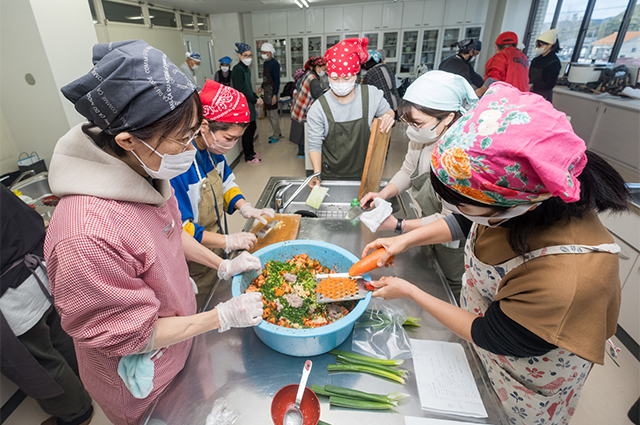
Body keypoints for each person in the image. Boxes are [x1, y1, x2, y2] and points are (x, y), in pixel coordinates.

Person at [363, 82, 629, 425]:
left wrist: (410, 290)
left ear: (516, 203)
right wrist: (402, 239)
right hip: (484, 341)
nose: (458, 210)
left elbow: (491, 333)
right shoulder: (520, 203)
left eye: (463, 203)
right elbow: (466, 220)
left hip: (526, 376)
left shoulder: (569, 277)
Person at [44, 40, 264, 425]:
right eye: (182, 139)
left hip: (180, 339)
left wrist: (221, 264)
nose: (190, 148)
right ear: (128, 140)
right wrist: (222, 317)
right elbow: (132, 335)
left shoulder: (143, 171)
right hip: (145, 380)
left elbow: (169, 230)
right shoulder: (84, 235)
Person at [361, 71, 477, 299]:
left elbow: (451, 221)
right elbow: (407, 171)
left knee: (448, 288)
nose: (411, 130)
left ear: (447, 118)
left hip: (452, 243)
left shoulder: (457, 158)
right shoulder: (422, 138)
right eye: (407, 122)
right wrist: (383, 194)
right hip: (424, 223)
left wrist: (399, 225)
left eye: (418, 123)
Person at [171, 79, 274, 309]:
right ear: (205, 126)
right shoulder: (179, 166)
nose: (232, 145)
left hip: (215, 245)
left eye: (238, 139)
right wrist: (227, 241)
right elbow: (182, 228)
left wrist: (245, 207)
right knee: (199, 305)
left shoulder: (212, 151)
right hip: (192, 259)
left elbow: (226, 184)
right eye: (230, 138)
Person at [1, 186, 94, 425]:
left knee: (42, 361)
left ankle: (77, 413)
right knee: (60, 339)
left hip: (12, 295)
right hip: (38, 275)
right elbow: (30, 218)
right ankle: (85, 386)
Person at [306, 38, 395, 186]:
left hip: (365, 173)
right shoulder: (319, 108)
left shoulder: (371, 95)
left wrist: (388, 117)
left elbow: (389, 112)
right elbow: (315, 145)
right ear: (328, 76)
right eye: (334, 78)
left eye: (346, 78)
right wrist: (316, 174)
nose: (340, 83)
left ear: (356, 76)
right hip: (331, 175)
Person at [232, 42, 263, 163]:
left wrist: (256, 96)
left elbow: (249, 88)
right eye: (245, 55)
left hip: (249, 103)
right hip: (243, 104)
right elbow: (242, 90)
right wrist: (254, 99)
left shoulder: (247, 69)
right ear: (239, 56)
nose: (248, 58)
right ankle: (248, 155)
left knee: (253, 127)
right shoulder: (237, 69)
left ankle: (252, 151)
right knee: (247, 131)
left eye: (250, 55)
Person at [290, 57, 326, 158]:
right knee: (303, 133)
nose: (324, 71)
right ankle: (303, 153)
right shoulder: (313, 80)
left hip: (298, 106)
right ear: (317, 67)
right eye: (323, 69)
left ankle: (301, 152)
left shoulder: (308, 74)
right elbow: (319, 96)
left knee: (299, 131)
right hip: (304, 108)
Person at [476, 32, 529, 96]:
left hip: (505, 98)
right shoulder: (524, 58)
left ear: (496, 47)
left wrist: (480, 91)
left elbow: (494, 78)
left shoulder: (501, 56)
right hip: (522, 98)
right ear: (516, 45)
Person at [362, 50, 401, 119]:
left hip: (383, 106)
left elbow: (365, 90)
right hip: (396, 103)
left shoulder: (371, 73)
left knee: (384, 126)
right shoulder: (389, 67)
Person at [529, 29, 562, 101]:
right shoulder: (536, 60)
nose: (538, 48)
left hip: (543, 95)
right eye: (537, 46)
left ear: (549, 45)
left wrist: (533, 86)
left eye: (541, 45)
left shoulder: (554, 62)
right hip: (530, 93)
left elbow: (549, 84)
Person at [260, 42, 282, 144]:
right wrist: (261, 87)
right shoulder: (265, 63)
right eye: (262, 52)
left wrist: (274, 95)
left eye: (265, 52)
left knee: (273, 115)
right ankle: (278, 132)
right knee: (269, 114)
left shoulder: (274, 64)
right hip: (267, 92)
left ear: (270, 52)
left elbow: (277, 80)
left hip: (272, 92)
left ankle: (276, 136)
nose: (263, 54)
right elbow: (265, 79)